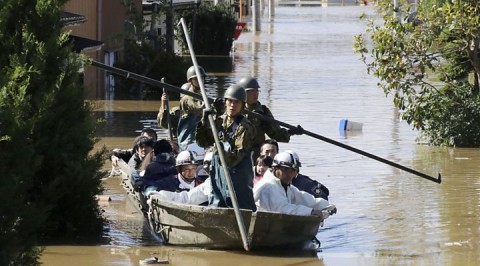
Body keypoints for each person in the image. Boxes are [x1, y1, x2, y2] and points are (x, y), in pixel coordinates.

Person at [196, 84, 257, 211]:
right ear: (225, 102)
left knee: (240, 207)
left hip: (237, 177)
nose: (232, 105)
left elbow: (233, 160)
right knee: (217, 203)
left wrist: (219, 145)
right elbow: (203, 142)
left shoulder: (245, 127)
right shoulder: (219, 120)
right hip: (219, 173)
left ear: (243, 104)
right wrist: (204, 121)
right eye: (229, 101)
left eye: (236, 102)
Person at [237, 76, 304, 161]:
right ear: (243, 93)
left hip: (255, 154)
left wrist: (291, 132)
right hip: (236, 153)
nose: (256, 94)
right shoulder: (233, 109)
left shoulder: (263, 111)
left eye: (257, 91)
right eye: (252, 91)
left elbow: (276, 133)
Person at [253, 152, 336, 218]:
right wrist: (310, 212)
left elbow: (305, 199)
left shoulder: (285, 185)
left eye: (293, 171)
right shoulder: (268, 186)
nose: (289, 174)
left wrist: (327, 206)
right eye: (285, 170)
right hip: (263, 229)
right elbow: (283, 209)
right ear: (275, 168)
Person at [177, 65, 207, 151]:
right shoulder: (186, 98)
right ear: (190, 80)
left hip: (201, 140)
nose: (199, 81)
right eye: (196, 79)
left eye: (201, 78)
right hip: (188, 141)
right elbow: (198, 108)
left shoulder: (202, 95)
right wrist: (209, 104)